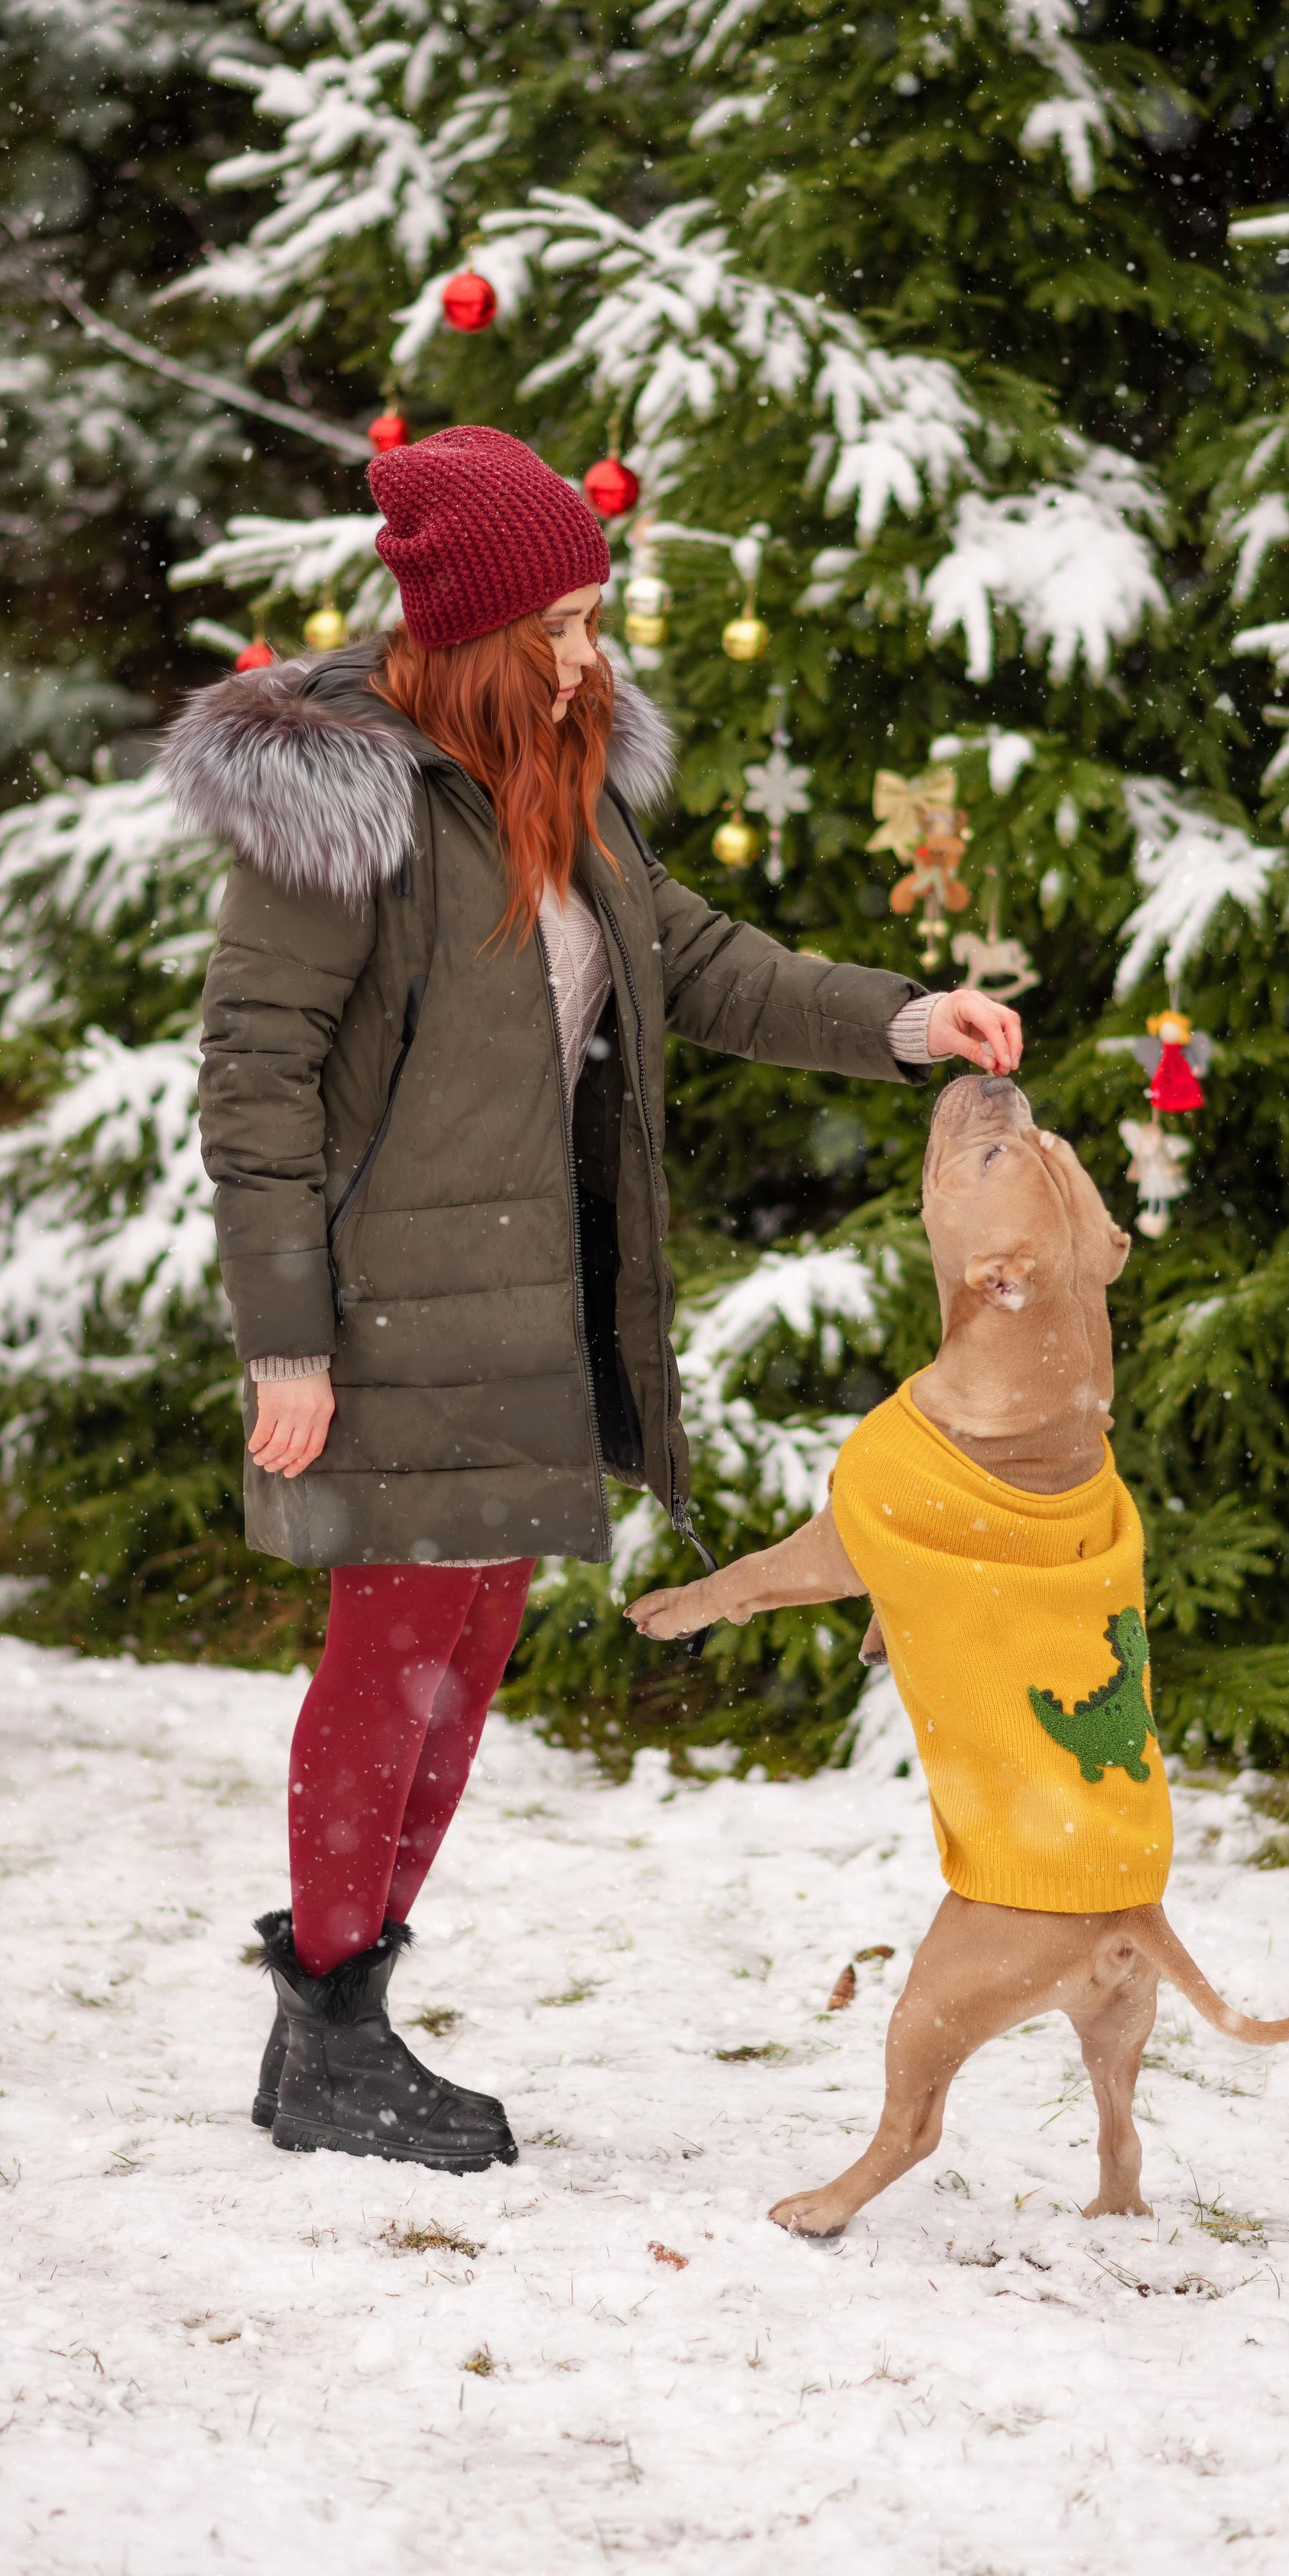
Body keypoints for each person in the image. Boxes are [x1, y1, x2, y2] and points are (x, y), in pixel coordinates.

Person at [161, 423, 1023, 2172]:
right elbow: (253, 1076)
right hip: (387, 1314)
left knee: (461, 1658)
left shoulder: (552, 773)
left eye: (591, 612)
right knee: (391, 1659)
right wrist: (287, 1338)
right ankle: (328, 2025)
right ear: (473, 629)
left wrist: (897, 1019)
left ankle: (340, 2024)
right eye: (558, 617)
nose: (589, 648)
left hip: (524, 1301)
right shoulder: (352, 804)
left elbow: (692, 963)